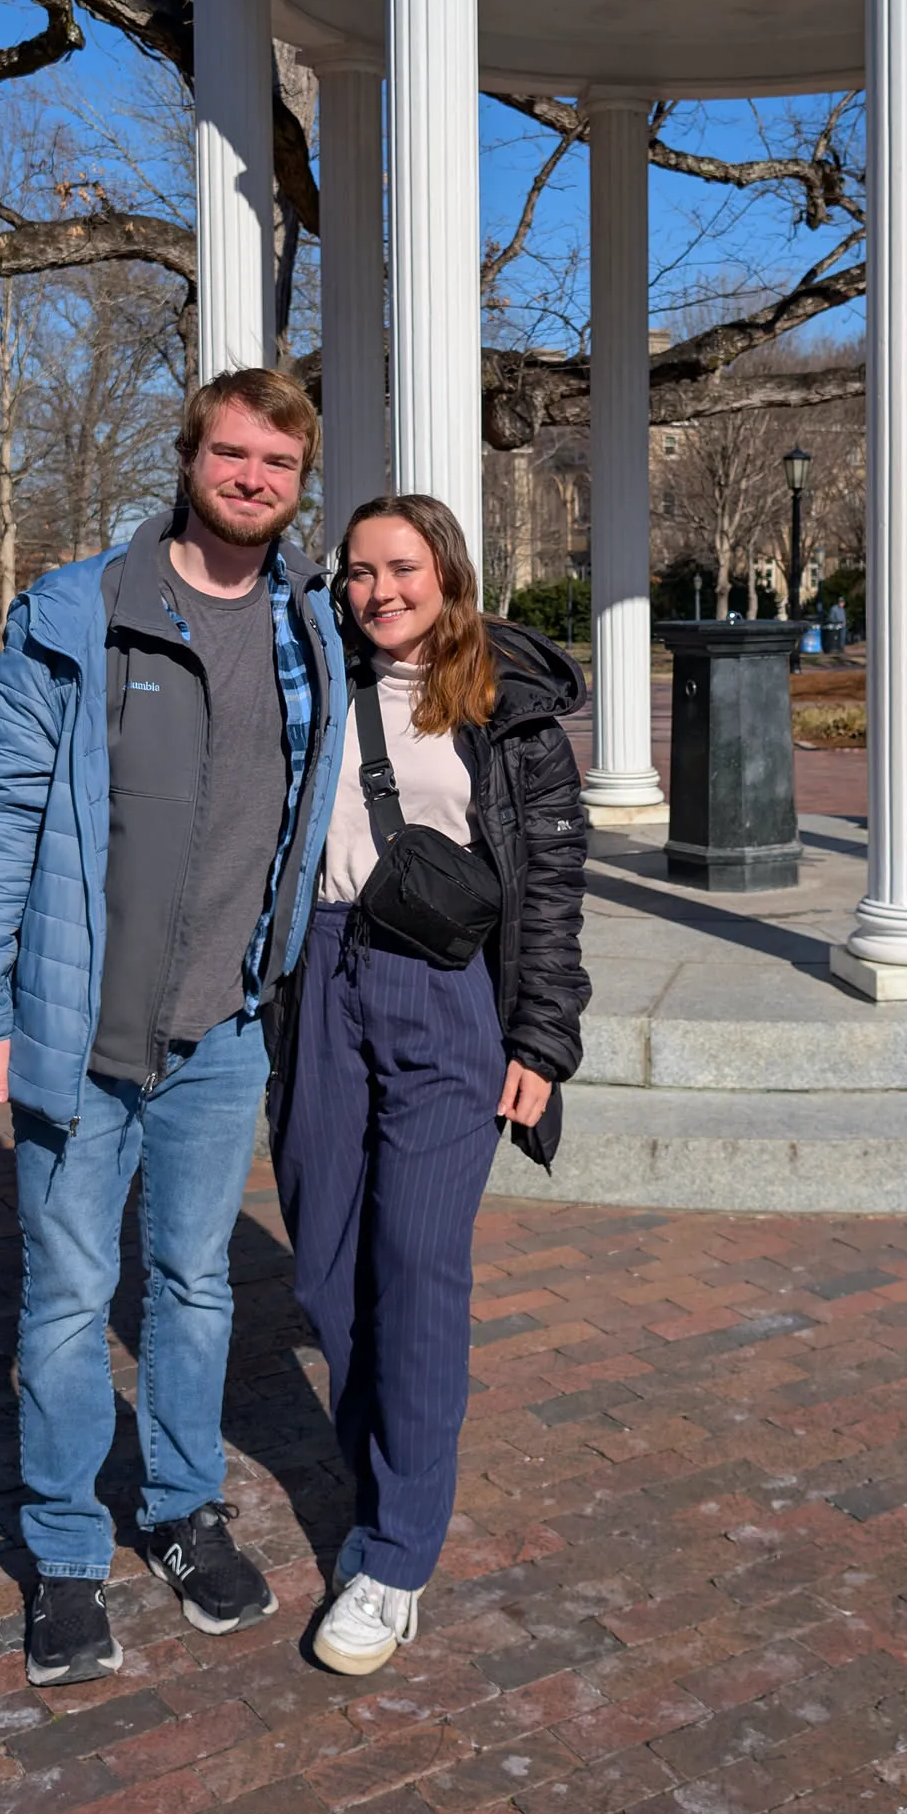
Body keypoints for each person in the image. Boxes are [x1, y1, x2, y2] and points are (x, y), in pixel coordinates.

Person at [0, 367, 346, 1689]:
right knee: (64, 1300)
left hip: (224, 1033)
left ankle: (178, 1514)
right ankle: (62, 1556)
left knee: (195, 1285)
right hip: (75, 1032)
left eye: (274, 464)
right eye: (230, 454)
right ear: (188, 459)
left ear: (298, 481)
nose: (250, 479)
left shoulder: (311, 629)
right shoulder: (80, 611)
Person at [270, 493, 589, 1677]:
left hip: (446, 996)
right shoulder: (312, 683)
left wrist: (540, 1042)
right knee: (324, 1263)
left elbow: (551, 890)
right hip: (322, 979)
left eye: (401, 567)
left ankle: (395, 1556)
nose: (378, 590)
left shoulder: (511, 712)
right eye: (357, 571)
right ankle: (385, 1472)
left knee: (416, 1265)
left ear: (448, 573)